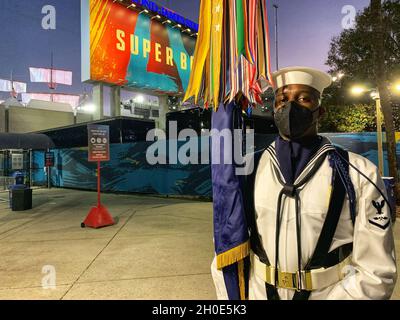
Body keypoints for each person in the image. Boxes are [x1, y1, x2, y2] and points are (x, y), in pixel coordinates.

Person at [211, 66, 397, 300]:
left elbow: (377, 272)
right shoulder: (248, 170)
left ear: (320, 111)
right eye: (283, 99)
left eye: (303, 99)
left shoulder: (358, 172)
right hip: (260, 293)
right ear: (274, 109)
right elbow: (227, 241)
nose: (290, 107)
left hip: (329, 294)